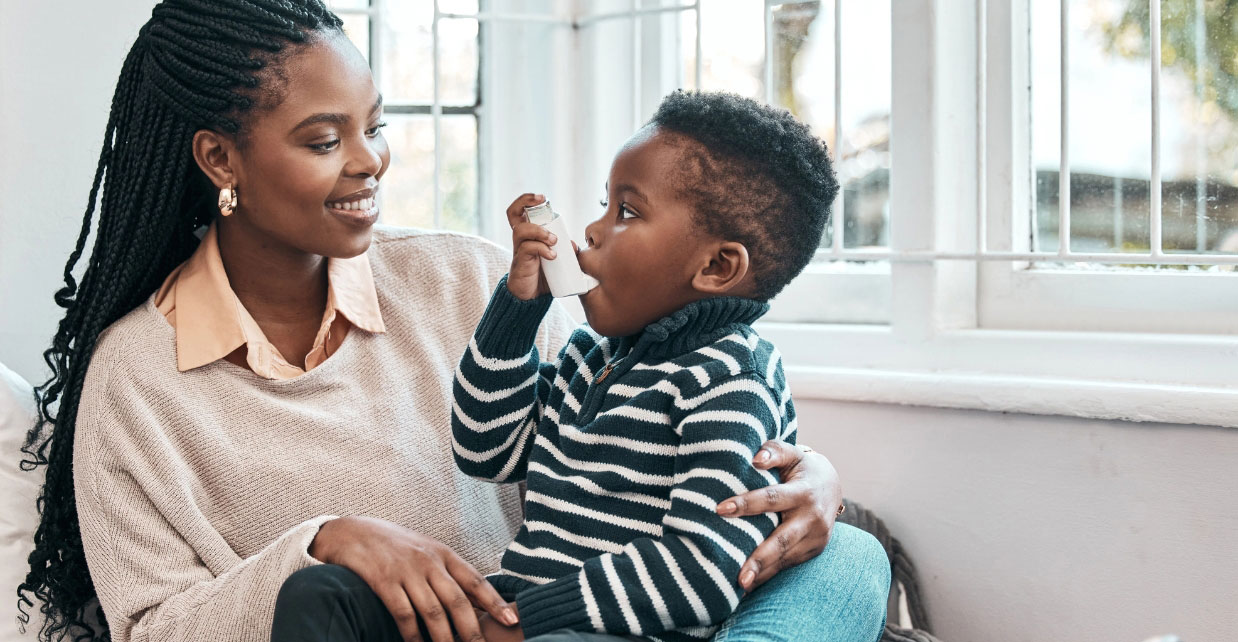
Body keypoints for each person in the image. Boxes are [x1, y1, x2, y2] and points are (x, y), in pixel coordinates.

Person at [16, 2, 888, 642]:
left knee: (850, 557)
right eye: (325, 141)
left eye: (376, 126)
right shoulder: (137, 377)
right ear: (219, 159)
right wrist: (320, 543)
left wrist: (805, 477)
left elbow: (625, 435)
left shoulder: (460, 273)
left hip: (564, 619)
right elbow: (148, 626)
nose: (371, 162)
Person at [444, 89, 867, 642]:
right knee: (335, 593)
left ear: (716, 266)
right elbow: (486, 449)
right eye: (604, 204)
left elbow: (704, 566)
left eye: (627, 211)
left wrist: (531, 619)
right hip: (525, 612)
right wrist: (517, 313)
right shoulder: (591, 356)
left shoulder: (730, 378)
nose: (593, 230)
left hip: (605, 631)